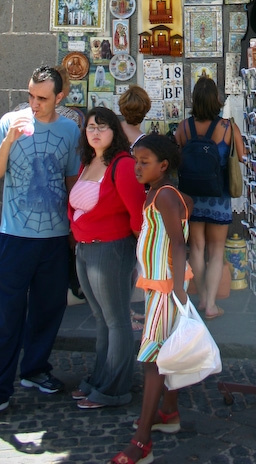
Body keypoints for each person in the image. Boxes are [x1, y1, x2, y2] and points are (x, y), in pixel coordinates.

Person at [0, 66, 80, 426]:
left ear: (60, 97)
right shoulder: (9, 122)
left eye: (42, 98)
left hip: (54, 239)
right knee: (8, 317)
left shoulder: (69, 130)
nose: (34, 103)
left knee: (49, 310)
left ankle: (35, 369)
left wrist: (74, 232)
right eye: (31, 95)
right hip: (15, 237)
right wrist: (9, 140)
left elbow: (71, 181)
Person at [111, 134, 193, 464]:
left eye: (144, 162)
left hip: (165, 289)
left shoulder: (165, 196)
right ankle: (169, 412)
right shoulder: (158, 193)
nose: (137, 167)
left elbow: (178, 243)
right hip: (159, 286)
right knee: (165, 352)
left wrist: (178, 290)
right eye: (136, 161)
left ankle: (141, 441)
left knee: (152, 360)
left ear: (163, 165)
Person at [69, 107, 146, 409]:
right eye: (91, 127)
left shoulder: (122, 165)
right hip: (85, 249)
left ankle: (115, 388)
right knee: (101, 319)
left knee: (117, 320)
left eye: (103, 127)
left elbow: (137, 212)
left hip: (110, 249)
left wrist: (140, 250)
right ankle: (99, 379)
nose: (96, 132)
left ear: (115, 131)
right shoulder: (88, 162)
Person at [174, 77, 244, 320]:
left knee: (196, 248)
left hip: (191, 196)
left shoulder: (184, 127)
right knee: (216, 250)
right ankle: (211, 304)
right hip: (218, 195)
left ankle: (202, 296)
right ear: (216, 99)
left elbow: (176, 156)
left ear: (194, 99)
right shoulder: (228, 127)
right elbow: (242, 156)